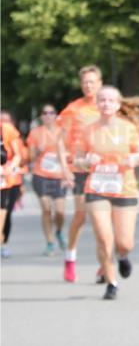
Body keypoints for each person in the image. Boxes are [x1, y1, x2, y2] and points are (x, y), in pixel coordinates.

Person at [64, 85, 139, 300]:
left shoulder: (128, 128)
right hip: (97, 188)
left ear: (118, 105)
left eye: (110, 101)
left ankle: (123, 255)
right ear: (97, 104)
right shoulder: (88, 130)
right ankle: (111, 282)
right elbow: (78, 161)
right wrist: (85, 161)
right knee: (103, 237)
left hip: (124, 188)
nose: (106, 104)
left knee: (124, 241)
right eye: (102, 100)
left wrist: (133, 159)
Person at [57, 65, 103, 282]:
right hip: (80, 168)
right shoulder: (73, 109)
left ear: (100, 84)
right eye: (85, 82)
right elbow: (59, 139)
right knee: (81, 215)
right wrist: (64, 168)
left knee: (102, 218)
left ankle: (104, 263)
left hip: (104, 169)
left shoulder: (107, 107)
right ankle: (70, 257)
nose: (88, 85)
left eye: (92, 82)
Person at [27, 104, 67, 255]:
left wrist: (64, 156)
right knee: (46, 209)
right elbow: (29, 157)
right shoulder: (35, 133)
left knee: (60, 212)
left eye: (51, 112)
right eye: (45, 113)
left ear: (56, 115)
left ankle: (59, 231)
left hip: (58, 176)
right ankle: (50, 242)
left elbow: (70, 152)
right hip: (41, 175)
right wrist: (38, 150)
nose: (48, 115)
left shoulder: (62, 132)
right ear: (41, 116)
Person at [1, 113, 24, 259]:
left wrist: (9, 168)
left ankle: (3, 244)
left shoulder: (7, 129)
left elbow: (18, 155)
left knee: (4, 215)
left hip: (4, 180)